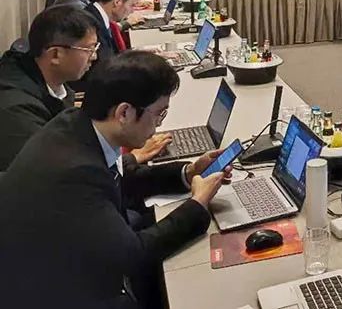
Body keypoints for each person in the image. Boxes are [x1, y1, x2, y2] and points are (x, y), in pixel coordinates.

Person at [0, 50, 229, 308]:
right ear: (124, 113)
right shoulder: (76, 172)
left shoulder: (76, 125)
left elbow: (119, 178)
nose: (158, 126)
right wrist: (197, 204)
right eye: (159, 114)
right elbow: (131, 256)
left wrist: (188, 172)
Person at [0, 7, 97, 170]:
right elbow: (55, 171)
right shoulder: (18, 110)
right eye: (89, 49)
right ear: (55, 55)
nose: (94, 56)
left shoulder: (51, 82)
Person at [85, 0, 142, 69]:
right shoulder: (91, 24)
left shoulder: (99, 17)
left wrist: (140, 54)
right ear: (117, 2)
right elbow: (105, 66)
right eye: (132, 5)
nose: (132, 11)